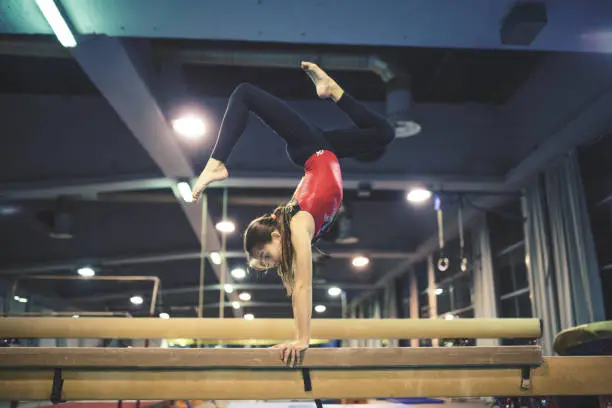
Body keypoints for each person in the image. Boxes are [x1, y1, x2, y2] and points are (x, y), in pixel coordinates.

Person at [191, 62, 395, 366]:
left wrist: (302, 339)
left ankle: (216, 162)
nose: (265, 262)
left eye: (263, 253)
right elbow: (293, 281)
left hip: (311, 147)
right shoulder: (292, 219)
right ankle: (333, 91)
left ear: (276, 234)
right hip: (325, 150)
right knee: (384, 132)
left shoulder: (298, 223)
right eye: (263, 261)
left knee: (245, 93)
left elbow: (303, 285)